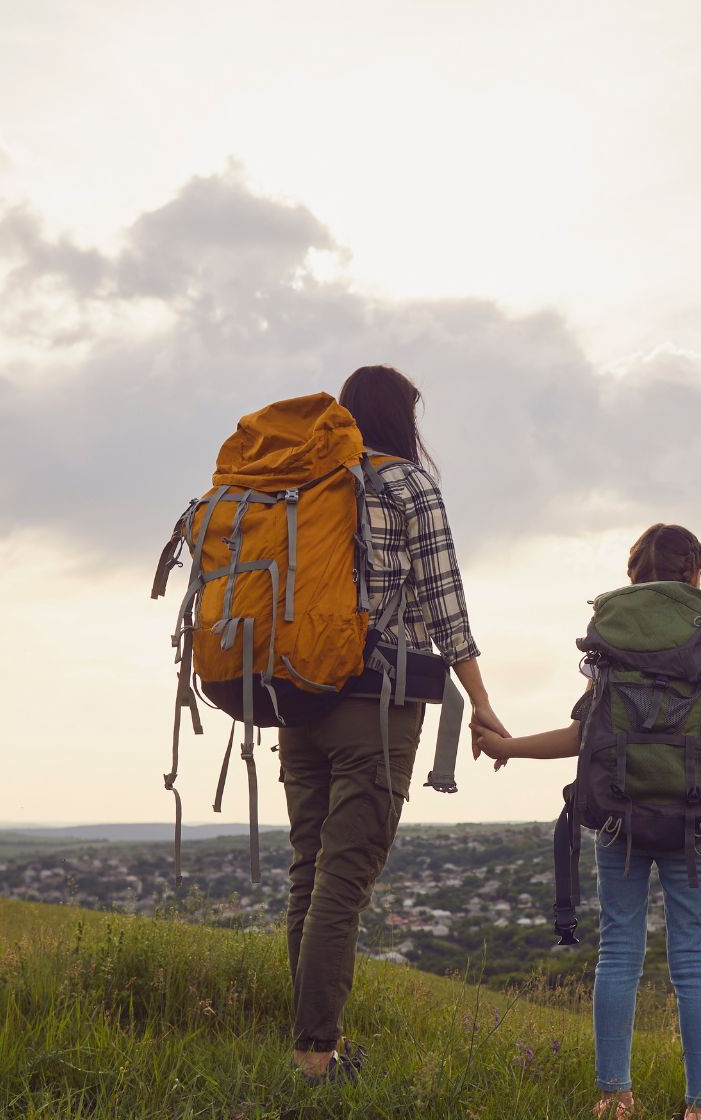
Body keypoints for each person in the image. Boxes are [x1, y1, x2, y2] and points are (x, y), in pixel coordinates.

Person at [475, 523, 701, 1120]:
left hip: (620, 817)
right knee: (693, 960)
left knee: (619, 954)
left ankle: (614, 1096)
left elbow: (581, 737)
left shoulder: (613, 640)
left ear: (633, 576)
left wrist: (509, 748)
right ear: (696, 575)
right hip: (693, 824)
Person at [280, 364, 509, 1083]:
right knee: (343, 882)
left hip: (296, 697)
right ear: (402, 419)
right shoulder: (408, 485)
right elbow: (446, 606)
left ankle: (309, 1044)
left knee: (308, 871)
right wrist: (482, 703)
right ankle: (317, 1056)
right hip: (375, 706)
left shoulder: (305, 482)